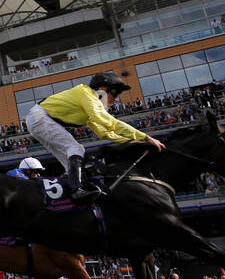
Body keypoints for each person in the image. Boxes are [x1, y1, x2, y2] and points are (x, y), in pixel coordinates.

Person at [23, 71, 166, 202]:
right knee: (76, 149)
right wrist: (145, 137)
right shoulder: (87, 94)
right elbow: (109, 122)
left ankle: (65, 194)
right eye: (115, 93)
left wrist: (133, 141)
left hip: (38, 119)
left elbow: (105, 133)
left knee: (70, 163)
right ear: (102, 89)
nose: (116, 99)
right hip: (39, 118)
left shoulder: (90, 103)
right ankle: (76, 191)